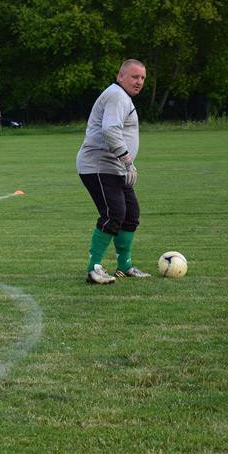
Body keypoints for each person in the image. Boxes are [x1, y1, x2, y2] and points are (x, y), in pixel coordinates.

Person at [76, 59, 152, 285]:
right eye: (134, 76)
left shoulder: (122, 97)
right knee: (114, 213)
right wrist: (127, 160)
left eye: (142, 78)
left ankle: (125, 266)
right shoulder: (118, 95)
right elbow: (110, 130)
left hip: (113, 167)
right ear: (120, 76)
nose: (139, 82)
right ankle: (94, 269)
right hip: (99, 166)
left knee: (130, 213)